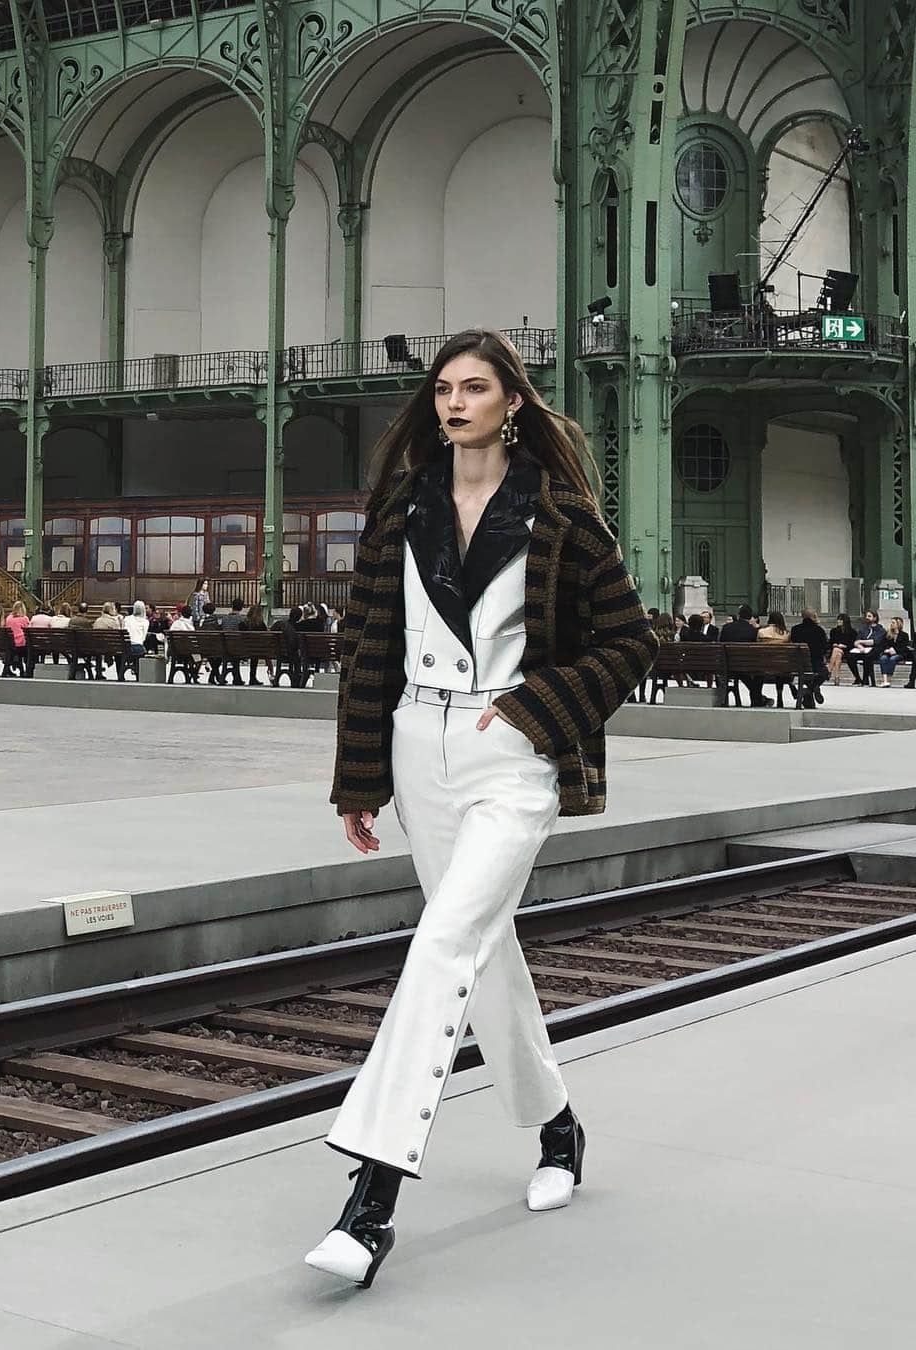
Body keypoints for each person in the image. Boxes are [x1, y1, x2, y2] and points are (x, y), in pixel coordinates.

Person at [304, 327, 658, 1289]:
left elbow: (630, 641)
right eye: (442, 391)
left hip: (511, 756)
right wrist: (360, 777)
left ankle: (370, 1204)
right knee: (485, 953)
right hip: (420, 748)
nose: (453, 404)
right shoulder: (400, 509)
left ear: (512, 402)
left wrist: (536, 711)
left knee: (444, 943)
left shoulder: (562, 519)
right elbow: (369, 646)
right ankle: (557, 1127)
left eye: (474, 388)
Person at [720, 604, 771, 707]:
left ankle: (759, 698)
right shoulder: (753, 631)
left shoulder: (726, 628)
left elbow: (720, 644)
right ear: (750, 617)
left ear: (739, 615)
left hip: (728, 665)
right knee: (758, 674)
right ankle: (757, 699)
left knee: (743, 671)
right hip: (747, 665)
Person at [756, 609, 797, 707]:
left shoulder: (761, 632)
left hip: (763, 669)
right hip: (781, 670)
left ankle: (757, 696)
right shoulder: (786, 635)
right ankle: (780, 696)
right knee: (781, 667)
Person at [789, 608, 829, 707]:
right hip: (816, 665)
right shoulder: (819, 630)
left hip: (798, 665)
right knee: (825, 673)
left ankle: (808, 694)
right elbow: (825, 649)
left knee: (805, 672)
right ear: (813, 617)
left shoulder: (795, 630)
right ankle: (813, 688)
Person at [845, 609, 886, 687]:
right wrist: (860, 646)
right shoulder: (863, 629)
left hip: (874, 650)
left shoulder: (880, 630)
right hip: (862, 649)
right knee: (850, 656)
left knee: (868, 656)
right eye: (866, 616)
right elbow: (856, 642)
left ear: (875, 618)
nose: (867, 618)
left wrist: (861, 642)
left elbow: (874, 641)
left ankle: (866, 680)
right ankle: (858, 678)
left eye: (869, 616)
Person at [220, 597, 247, 685]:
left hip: (225, 647)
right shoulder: (241, 619)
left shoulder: (224, 619)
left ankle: (235, 677)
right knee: (236, 648)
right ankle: (237, 678)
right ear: (241, 608)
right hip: (238, 648)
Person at [877, 617, 910, 687]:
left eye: (893, 622)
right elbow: (884, 644)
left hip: (900, 653)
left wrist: (895, 650)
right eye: (891, 622)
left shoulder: (904, 635)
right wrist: (887, 650)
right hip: (888, 653)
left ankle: (888, 680)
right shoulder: (888, 634)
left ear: (898, 624)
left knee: (893, 659)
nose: (891, 624)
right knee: (883, 658)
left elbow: (904, 647)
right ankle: (885, 680)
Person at [242, 602, 268, 685]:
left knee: (253, 650)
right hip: (257, 649)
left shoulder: (244, 623)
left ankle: (239, 677)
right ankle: (253, 678)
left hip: (244, 649)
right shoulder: (261, 624)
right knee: (255, 653)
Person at [199, 601, 225, 685]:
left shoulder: (201, 621)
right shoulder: (217, 621)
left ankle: (215, 676)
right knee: (219, 657)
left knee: (211, 656)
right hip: (216, 647)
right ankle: (216, 676)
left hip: (203, 647)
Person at [827, 612, 857, 685]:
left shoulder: (852, 632)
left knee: (836, 651)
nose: (838, 621)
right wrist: (834, 644)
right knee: (837, 655)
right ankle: (836, 678)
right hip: (837, 651)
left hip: (847, 650)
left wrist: (844, 646)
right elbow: (831, 642)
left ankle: (829, 670)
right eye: (838, 620)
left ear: (845, 621)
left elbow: (853, 644)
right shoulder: (833, 631)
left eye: (841, 620)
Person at [5, 600, 31, 675]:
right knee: (28, 649)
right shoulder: (24, 618)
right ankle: (27, 670)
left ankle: (19, 668)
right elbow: (28, 630)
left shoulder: (9, 618)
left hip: (11, 645)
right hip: (22, 645)